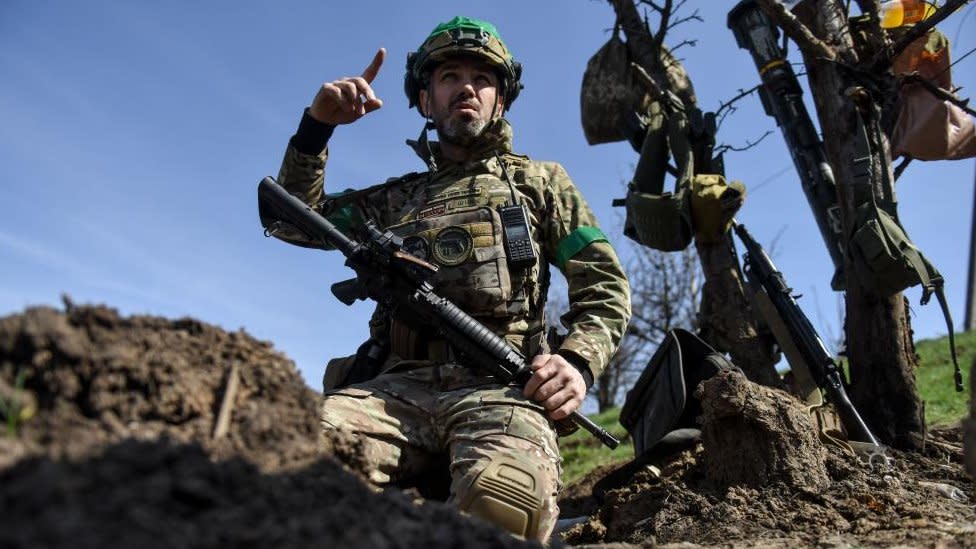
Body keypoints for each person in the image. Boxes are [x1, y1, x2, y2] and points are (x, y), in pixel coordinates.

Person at [273, 16, 631, 541]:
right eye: (449, 77)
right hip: (392, 390)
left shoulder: (542, 182)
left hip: (504, 391)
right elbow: (290, 219)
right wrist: (316, 128)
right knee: (285, 464)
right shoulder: (395, 198)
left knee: (504, 506)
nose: (467, 87)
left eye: (483, 79)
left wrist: (576, 362)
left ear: (500, 100)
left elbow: (603, 283)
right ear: (425, 100)